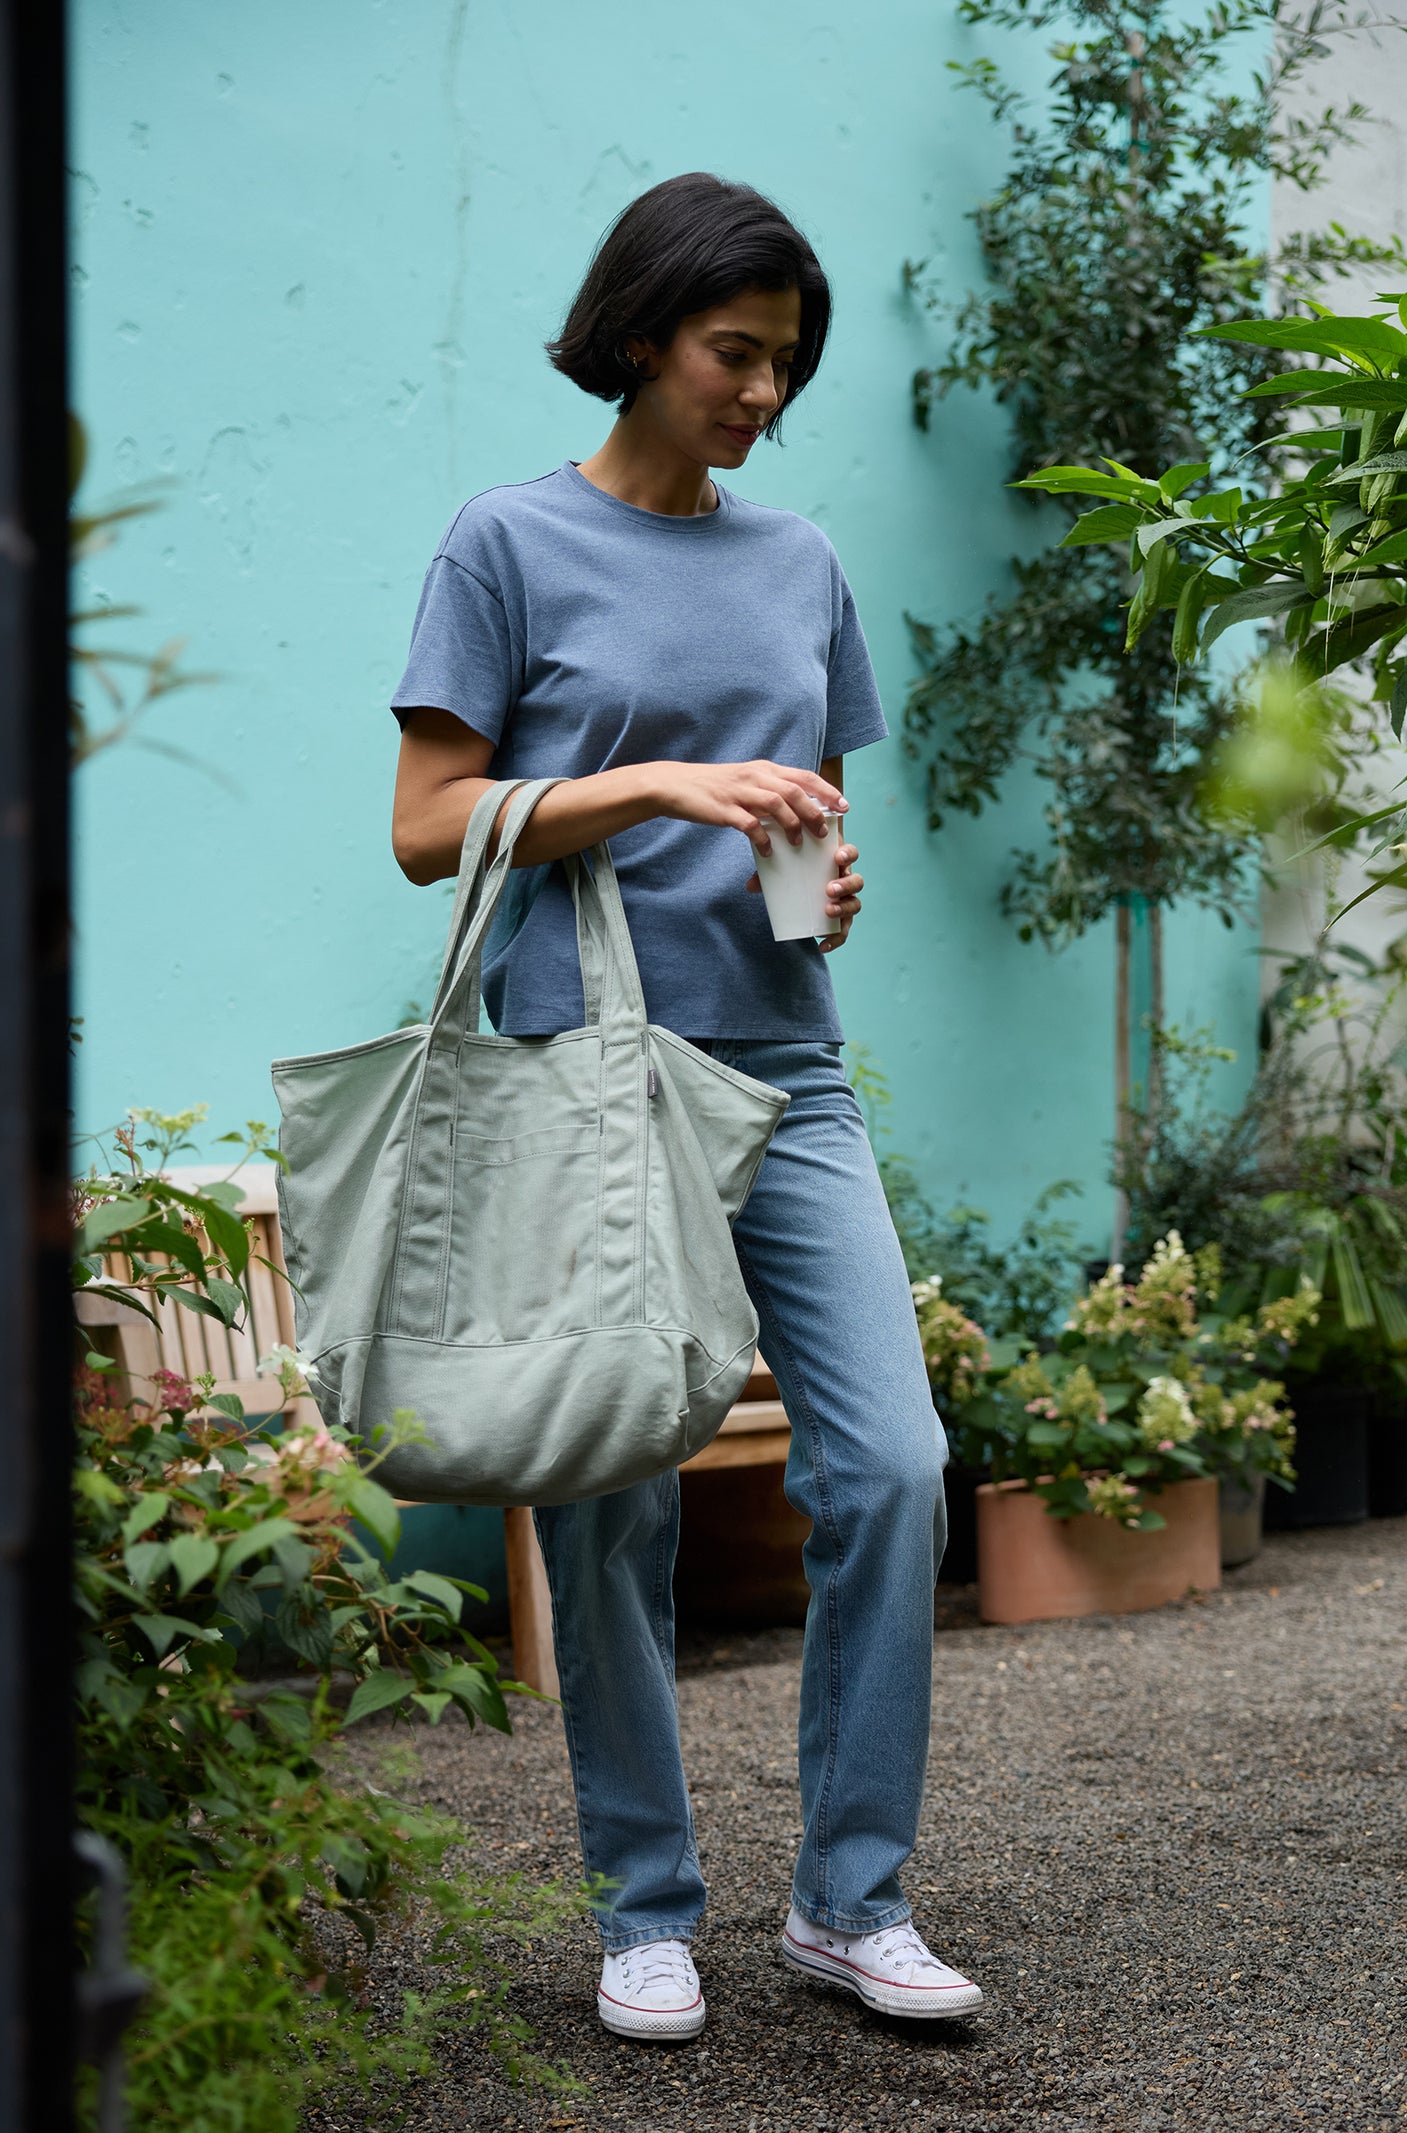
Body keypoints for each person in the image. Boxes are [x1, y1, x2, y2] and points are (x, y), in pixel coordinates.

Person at [387, 172, 982, 2041]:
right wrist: (660, 787)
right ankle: (644, 1905)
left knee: (892, 1465)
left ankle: (849, 1900)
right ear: (643, 333)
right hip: (587, 1075)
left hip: (786, 1066)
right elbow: (426, 829)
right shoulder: (505, 543)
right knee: (616, 1494)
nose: (761, 392)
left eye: (784, 366)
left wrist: (813, 862)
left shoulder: (798, 561)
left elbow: (792, 799)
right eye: (735, 352)